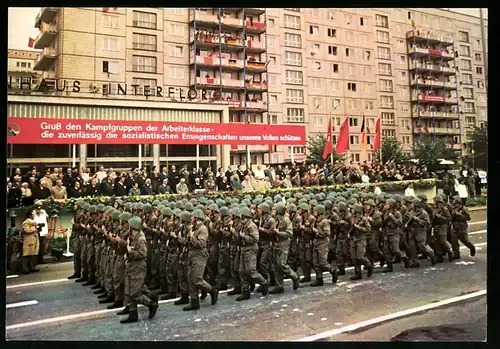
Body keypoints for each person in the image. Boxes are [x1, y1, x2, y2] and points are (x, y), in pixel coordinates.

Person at [119, 216, 158, 323]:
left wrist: (130, 251)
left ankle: (151, 304)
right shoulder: (132, 237)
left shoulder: (141, 239)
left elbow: (143, 254)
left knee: (135, 293)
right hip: (131, 266)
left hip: (138, 267)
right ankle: (132, 313)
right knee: (128, 291)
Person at [184, 209, 218, 311]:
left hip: (199, 255)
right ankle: (194, 302)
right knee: (190, 279)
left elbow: (201, 244)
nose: (191, 219)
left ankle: (212, 290)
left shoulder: (203, 229)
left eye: (193, 217)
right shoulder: (194, 228)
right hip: (192, 254)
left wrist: (192, 237)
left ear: (196, 218)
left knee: (197, 279)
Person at [21, 210, 40, 274]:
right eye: (33, 214)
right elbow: (27, 230)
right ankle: (25, 269)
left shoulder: (33, 222)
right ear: (30, 215)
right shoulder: (25, 222)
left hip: (34, 239)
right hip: (28, 240)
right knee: (26, 255)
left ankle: (32, 267)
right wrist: (34, 228)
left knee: (33, 255)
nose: (34, 215)